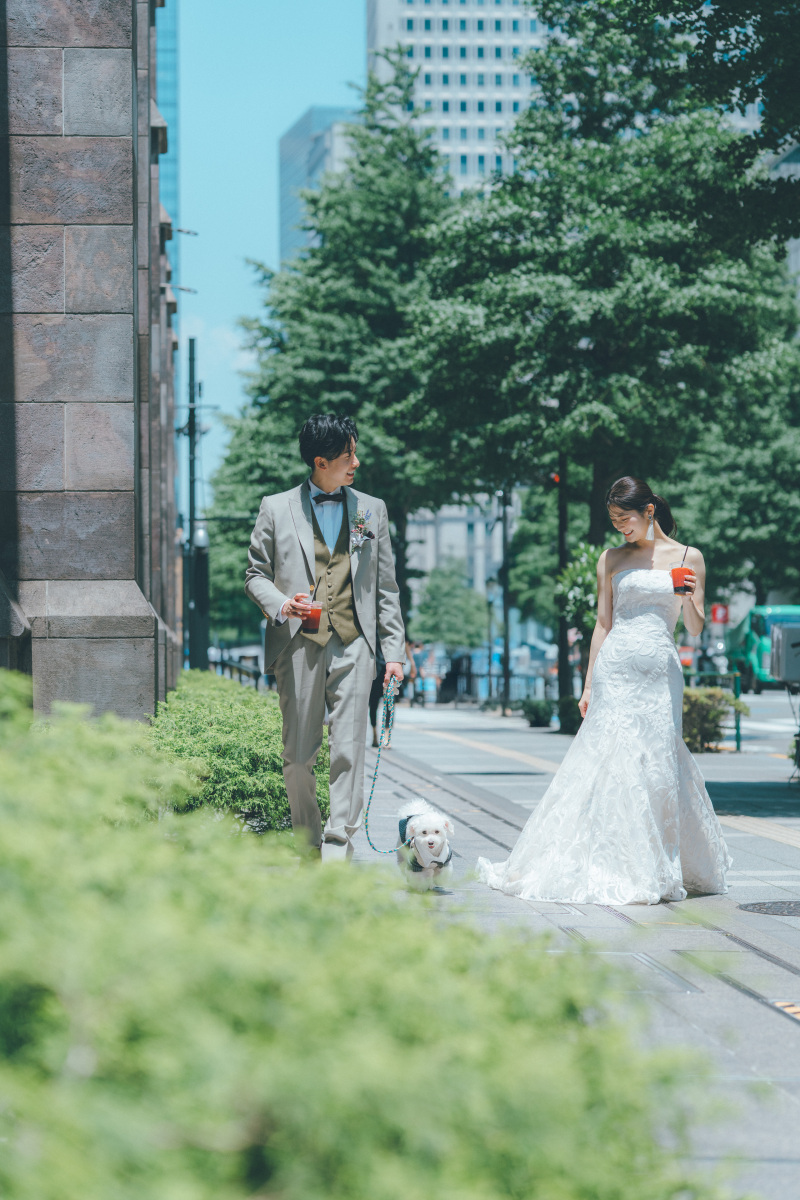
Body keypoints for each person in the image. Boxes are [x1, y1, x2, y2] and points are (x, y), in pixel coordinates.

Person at [478, 477, 731, 905]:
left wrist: (688, 596)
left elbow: (695, 628)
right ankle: (613, 860)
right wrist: (590, 680)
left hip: (659, 671)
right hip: (616, 668)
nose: (621, 528)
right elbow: (603, 623)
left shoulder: (689, 557)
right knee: (610, 757)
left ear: (649, 511)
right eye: (614, 521)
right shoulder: (611, 558)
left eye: (625, 519)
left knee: (656, 763)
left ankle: (658, 859)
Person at [244, 414, 406, 861]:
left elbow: (387, 588)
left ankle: (339, 843)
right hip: (298, 642)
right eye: (348, 455)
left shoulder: (372, 510)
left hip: (356, 644)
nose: (357, 461)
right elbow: (255, 575)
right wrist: (281, 603)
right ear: (321, 462)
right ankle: (308, 842)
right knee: (298, 755)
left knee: (350, 749)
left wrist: (394, 653)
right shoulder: (275, 508)